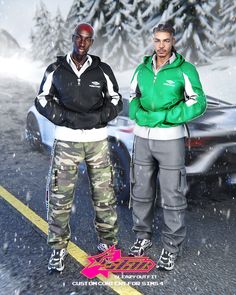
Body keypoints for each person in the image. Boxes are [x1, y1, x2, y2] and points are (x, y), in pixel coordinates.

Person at [35, 23, 122, 272]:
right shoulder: (56, 69)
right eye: (78, 38)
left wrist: (97, 118)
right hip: (67, 141)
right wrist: (65, 118)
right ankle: (58, 249)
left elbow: (116, 99)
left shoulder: (102, 70)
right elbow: (42, 98)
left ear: (92, 42)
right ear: (73, 39)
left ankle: (108, 245)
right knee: (60, 197)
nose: (82, 43)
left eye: (87, 39)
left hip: (96, 142)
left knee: (104, 197)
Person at [128, 23, 206, 271]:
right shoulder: (141, 69)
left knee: (172, 195)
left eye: (166, 41)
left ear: (173, 41)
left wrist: (166, 117)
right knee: (141, 191)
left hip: (170, 139)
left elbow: (198, 102)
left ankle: (171, 247)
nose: (161, 46)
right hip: (142, 139)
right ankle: (142, 237)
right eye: (157, 40)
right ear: (152, 41)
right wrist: (141, 116)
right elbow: (132, 98)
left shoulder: (185, 69)